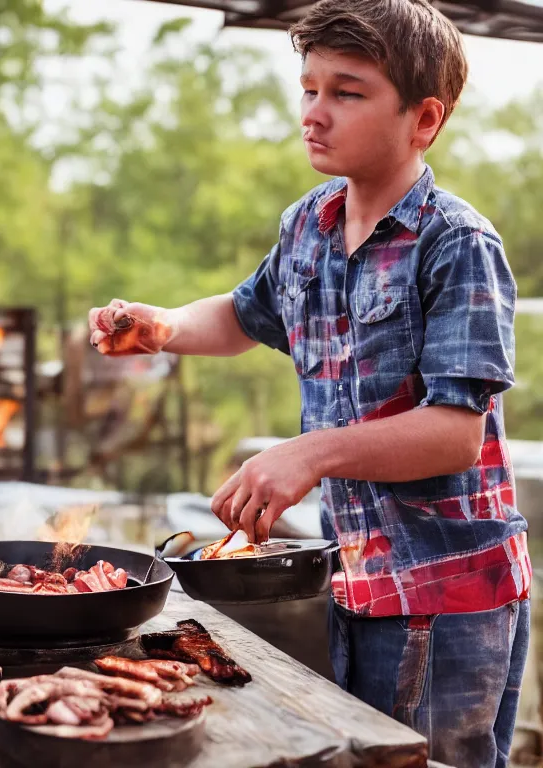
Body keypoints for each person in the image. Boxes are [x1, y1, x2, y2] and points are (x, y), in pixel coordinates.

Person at [88, 1, 531, 765]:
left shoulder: (457, 243)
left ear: (423, 120)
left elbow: (456, 433)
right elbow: (241, 314)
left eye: (347, 93)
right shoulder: (309, 225)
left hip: (444, 593)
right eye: (309, 89)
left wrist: (307, 454)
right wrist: (163, 325)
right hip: (356, 578)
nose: (315, 113)